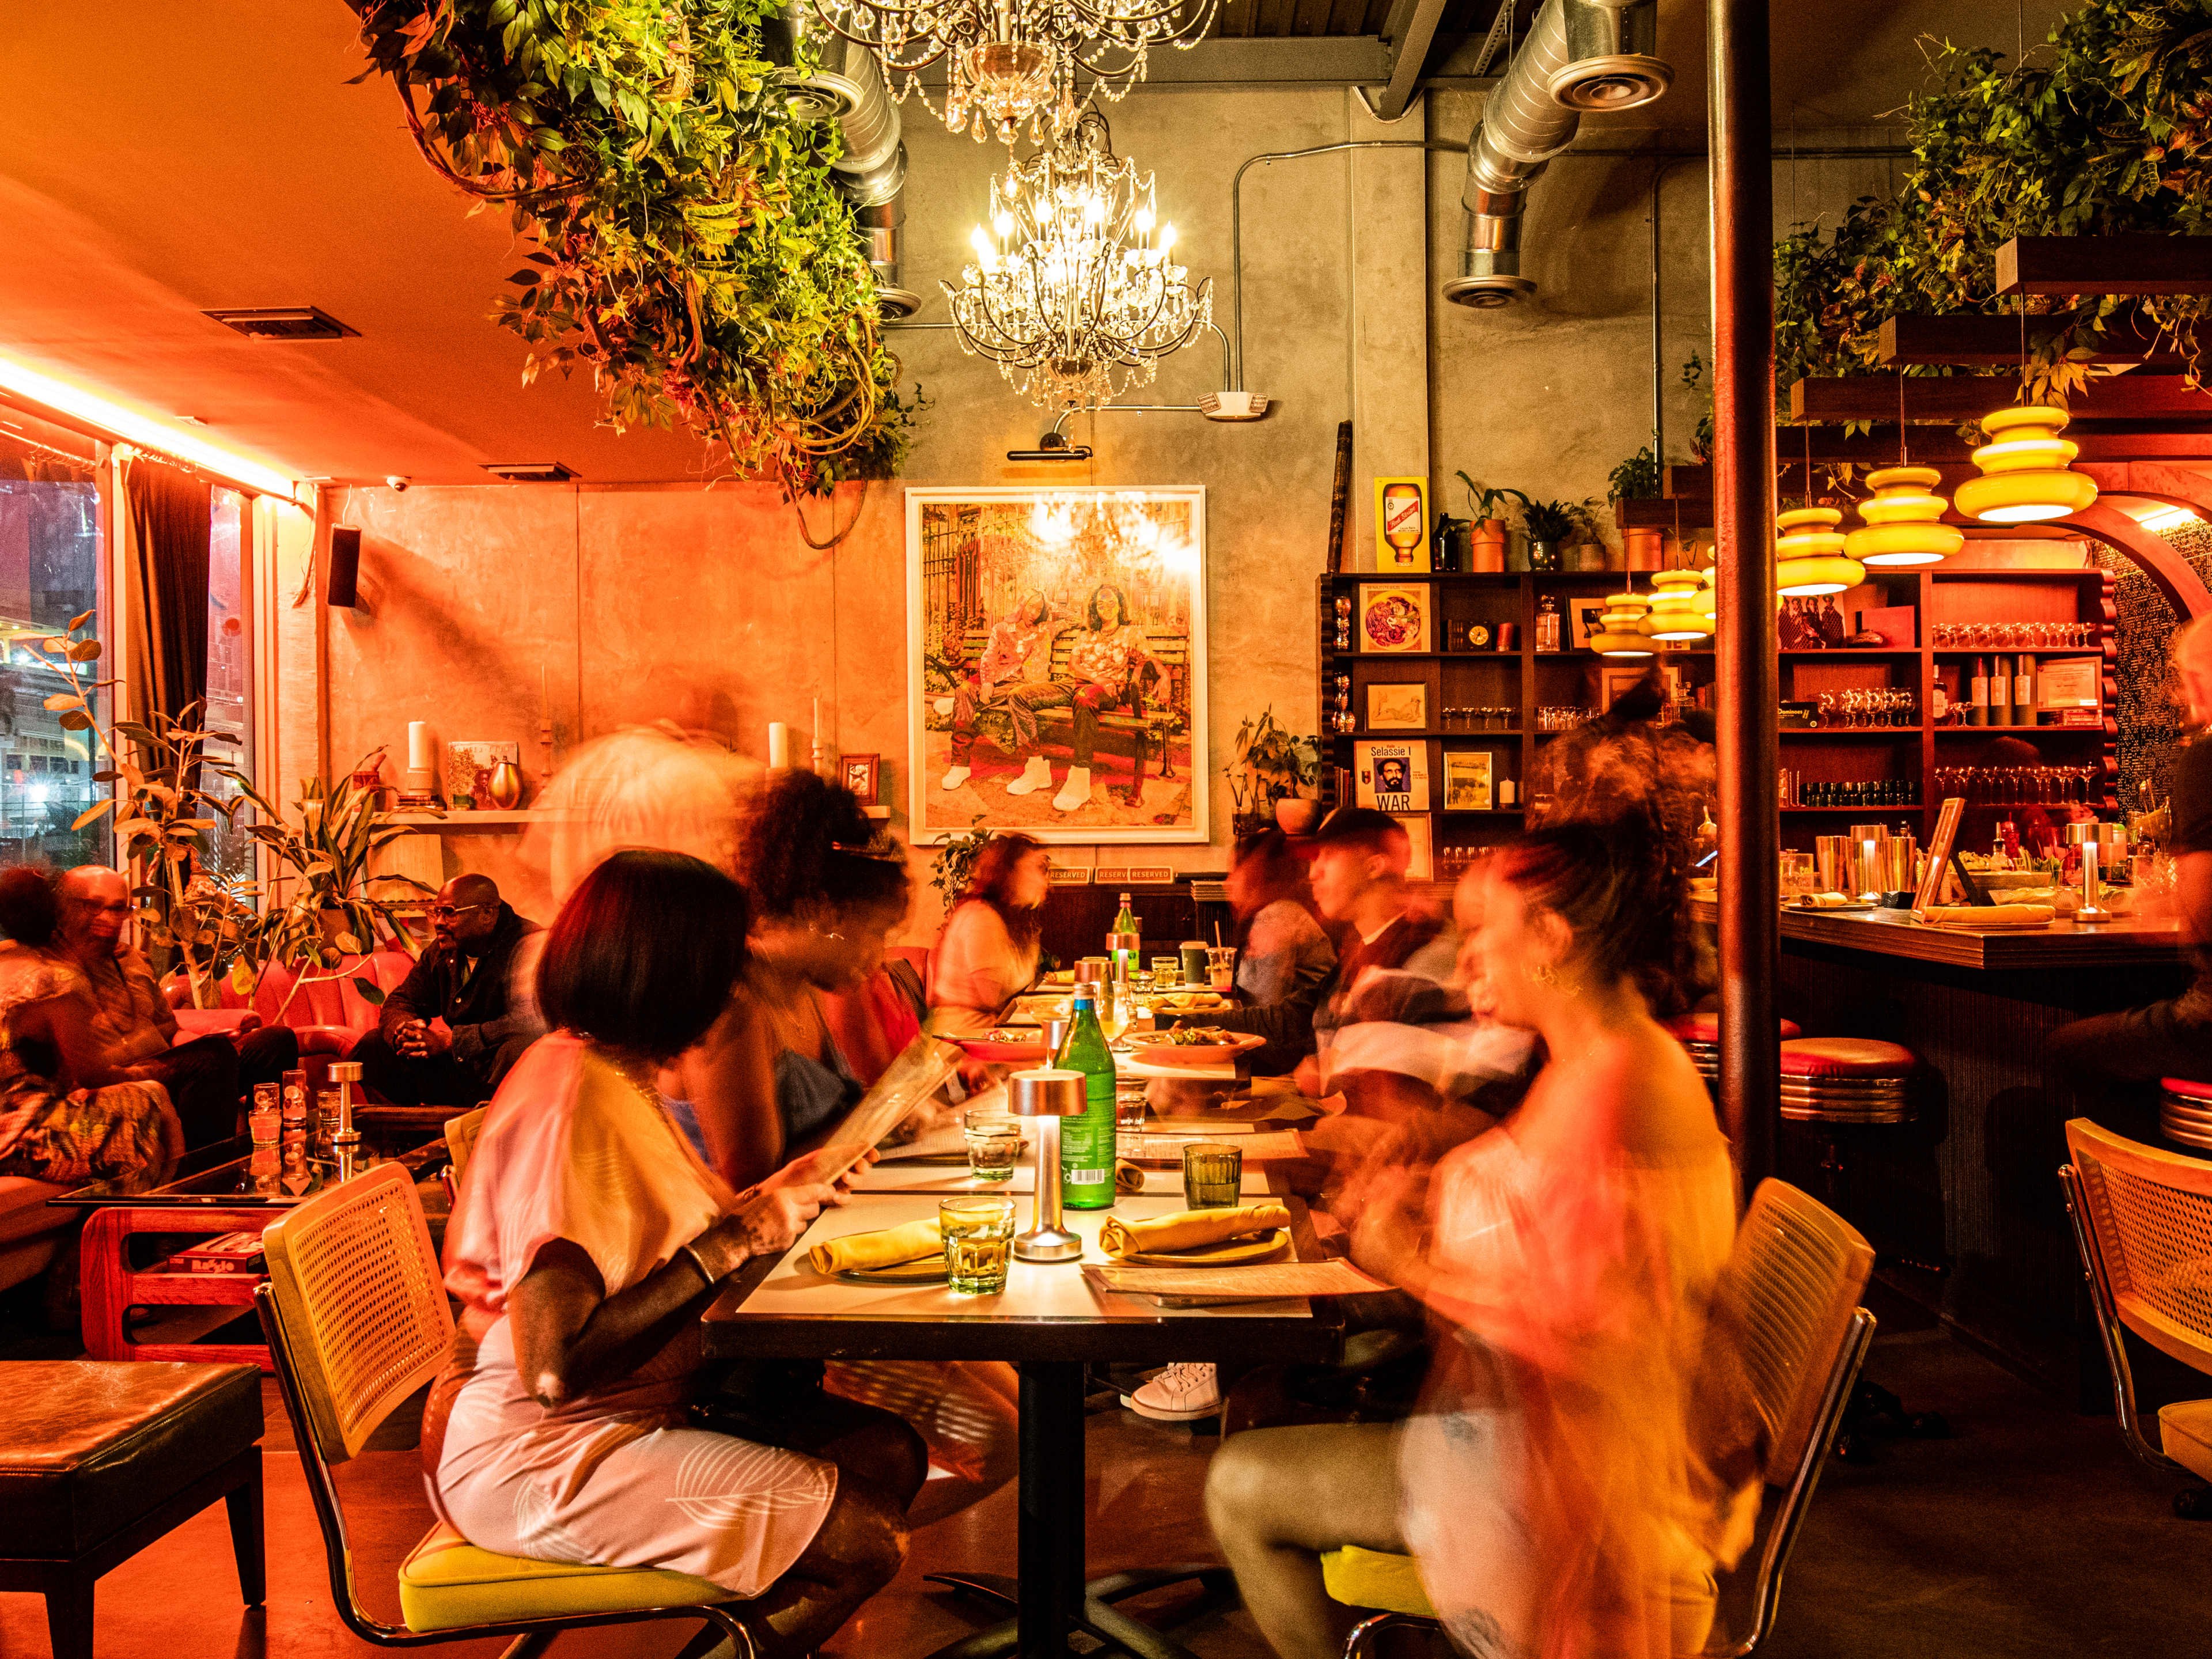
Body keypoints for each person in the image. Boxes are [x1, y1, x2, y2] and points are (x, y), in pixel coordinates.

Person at [1205, 819, 1760, 1659]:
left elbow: (1568, 1337)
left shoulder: (1608, 1089)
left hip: (1579, 1500)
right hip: (1531, 1446)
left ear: (1549, 937)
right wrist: (1424, 1176)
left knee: (1239, 1485)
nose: (1463, 962)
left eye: (1480, 935)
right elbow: (1565, 1236)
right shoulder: (1596, 1059)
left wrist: (1403, 1256)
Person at [425, 850, 922, 1659]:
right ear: (674, 973)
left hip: (627, 1410)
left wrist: (774, 1195)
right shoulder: (574, 1106)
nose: (738, 986)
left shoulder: (608, 1073)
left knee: (884, 1452)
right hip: (537, 1459)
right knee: (866, 1540)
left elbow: (647, 1245)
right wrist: (739, 1237)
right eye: (724, 964)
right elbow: (554, 1367)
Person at [2047, 616, 2212, 1129]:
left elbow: (2202, 914)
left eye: (2186, 677)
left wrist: (2152, 904)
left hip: (2210, 1026)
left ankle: (2145, 1200)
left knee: (2067, 1050)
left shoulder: (2206, 757)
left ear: (2202, 679)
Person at [56, 865, 297, 1147]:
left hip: (170, 1073)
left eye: (119, 908)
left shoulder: (134, 961)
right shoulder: (49, 970)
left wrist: (204, 1043)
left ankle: (270, 1155)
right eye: (94, 906)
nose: (109, 918)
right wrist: (207, 1056)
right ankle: (203, 1175)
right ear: (65, 907)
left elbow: (169, 1031)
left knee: (275, 1041)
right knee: (209, 1060)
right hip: (116, 1084)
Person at [0, 866, 181, 1184]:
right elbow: (92, 1074)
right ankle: (157, 1207)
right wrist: (147, 1073)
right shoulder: (52, 982)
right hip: (22, 1132)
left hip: (14, 1117)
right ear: (54, 913)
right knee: (148, 1099)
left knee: (149, 1093)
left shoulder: (7, 964)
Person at [350, 874, 544, 1108]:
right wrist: (406, 1031)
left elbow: (531, 1022)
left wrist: (452, 1042)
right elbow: (401, 1000)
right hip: (462, 1068)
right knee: (374, 1045)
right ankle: (405, 1136)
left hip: (504, 1073)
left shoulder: (529, 944)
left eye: (449, 912)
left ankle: (490, 1132)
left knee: (520, 1047)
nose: (438, 922)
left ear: (487, 914)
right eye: (436, 912)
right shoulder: (444, 949)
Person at [1013, 583, 1157, 813]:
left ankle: (1080, 779)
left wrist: (1165, 677)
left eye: (1111, 602)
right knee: (1019, 696)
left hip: (1108, 692)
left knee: (1083, 697)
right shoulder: (1086, 633)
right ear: (1095, 608)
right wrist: (1096, 678)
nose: (1106, 607)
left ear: (1121, 606)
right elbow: (1073, 665)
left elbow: (1150, 660)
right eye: (1101, 604)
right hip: (1079, 685)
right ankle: (1036, 767)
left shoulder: (1132, 633)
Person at [927, 832, 1049, 1036]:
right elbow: (992, 999)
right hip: (962, 1038)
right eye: (1036, 869)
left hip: (990, 1030)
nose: (1043, 878)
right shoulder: (982, 919)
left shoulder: (1009, 919)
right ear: (1009, 874)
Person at [942, 593, 1058, 796]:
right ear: (1021, 605)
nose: (1033, 613)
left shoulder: (1044, 629)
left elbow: (1074, 618)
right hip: (996, 678)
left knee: (968, 701)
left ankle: (960, 705)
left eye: (1039, 609)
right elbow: (989, 656)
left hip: (1021, 684)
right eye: (1030, 606)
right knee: (964, 690)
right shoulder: (1002, 629)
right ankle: (960, 766)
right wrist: (987, 682)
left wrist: (1049, 605)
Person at [1225, 827, 1335, 1013]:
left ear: (1256, 874)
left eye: (1235, 871)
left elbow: (1264, 1008)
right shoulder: (1275, 913)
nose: (1227, 882)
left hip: (1304, 1036)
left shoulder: (1278, 918)